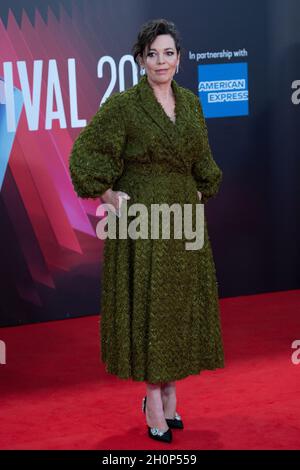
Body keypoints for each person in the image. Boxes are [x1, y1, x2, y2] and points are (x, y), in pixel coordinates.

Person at [69, 18, 225, 443]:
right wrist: (106, 195)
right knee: (149, 313)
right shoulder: (124, 106)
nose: (161, 61)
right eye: (152, 53)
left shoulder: (191, 103)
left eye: (168, 53)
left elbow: (202, 158)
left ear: (179, 59)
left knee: (174, 311)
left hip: (183, 224)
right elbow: (85, 152)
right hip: (141, 223)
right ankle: (154, 401)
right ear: (140, 59)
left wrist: (201, 188)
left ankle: (170, 389)